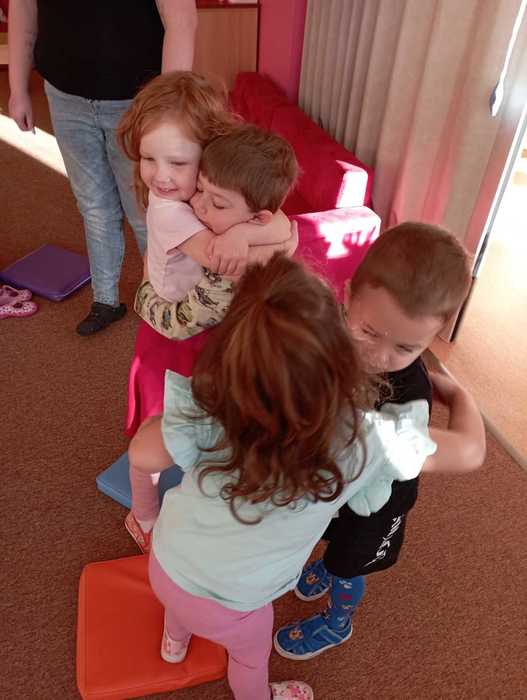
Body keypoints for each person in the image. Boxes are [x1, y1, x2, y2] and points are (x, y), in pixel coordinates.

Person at [127, 254, 484, 700]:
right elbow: (470, 451)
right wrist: (461, 397)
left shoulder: (216, 408)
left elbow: (141, 453)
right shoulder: (366, 440)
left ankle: (174, 642)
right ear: (338, 358)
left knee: (180, 607)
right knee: (248, 660)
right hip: (237, 603)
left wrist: (188, 426)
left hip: (165, 565)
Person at [274, 221, 486, 660]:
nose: (378, 355)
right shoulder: (330, 331)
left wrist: (461, 396)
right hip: (332, 484)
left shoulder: (408, 401)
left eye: (405, 348)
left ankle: (338, 621)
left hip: (376, 507)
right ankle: (327, 566)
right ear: (349, 295)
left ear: (431, 338)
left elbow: (470, 452)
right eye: (369, 331)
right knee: (328, 537)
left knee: (348, 564)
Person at [7, 0, 198, 335]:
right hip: (65, 95)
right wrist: (18, 88)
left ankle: (167, 301)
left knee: (148, 210)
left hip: (137, 100)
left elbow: (182, 21)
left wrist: (166, 110)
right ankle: (105, 300)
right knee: (94, 207)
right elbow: (24, 9)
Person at [116, 70, 298, 340]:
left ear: (207, 154)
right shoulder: (168, 211)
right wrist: (283, 249)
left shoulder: (207, 186)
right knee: (226, 284)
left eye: (178, 163)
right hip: (176, 308)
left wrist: (242, 234)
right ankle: (145, 301)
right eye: (148, 158)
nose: (161, 176)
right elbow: (222, 264)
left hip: (183, 275)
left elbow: (277, 221)